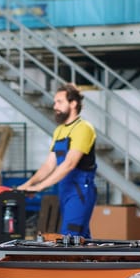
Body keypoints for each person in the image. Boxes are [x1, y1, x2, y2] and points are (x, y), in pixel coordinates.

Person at [17, 83, 97, 238]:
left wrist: (40, 187)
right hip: (65, 188)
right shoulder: (59, 130)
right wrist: (27, 185)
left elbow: (69, 164)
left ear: (73, 104)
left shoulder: (83, 128)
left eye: (59, 102)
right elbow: (49, 165)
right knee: (81, 237)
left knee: (70, 236)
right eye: (55, 102)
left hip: (80, 189)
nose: (55, 106)